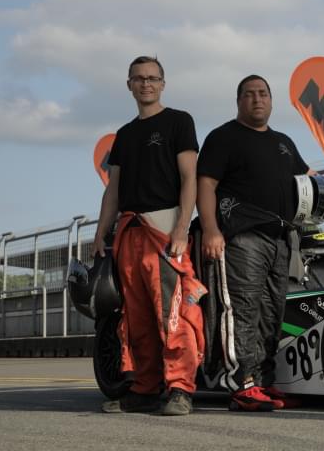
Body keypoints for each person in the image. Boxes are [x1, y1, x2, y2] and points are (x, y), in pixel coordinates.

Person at [197, 74, 324, 411]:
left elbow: (309, 177)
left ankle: (262, 382)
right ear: (239, 101)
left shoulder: (283, 143)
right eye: (249, 94)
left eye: (263, 93)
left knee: (271, 312)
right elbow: (206, 185)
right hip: (241, 236)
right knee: (242, 309)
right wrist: (210, 229)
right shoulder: (223, 137)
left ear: (271, 101)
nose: (257, 99)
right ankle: (241, 383)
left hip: (280, 238)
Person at [94, 56, 205, 416]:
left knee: (173, 314)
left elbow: (189, 178)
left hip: (164, 230)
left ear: (163, 84)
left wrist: (181, 229)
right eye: (139, 78)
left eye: (153, 78)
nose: (146, 84)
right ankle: (144, 388)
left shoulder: (179, 121)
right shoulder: (125, 135)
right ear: (129, 85)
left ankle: (180, 388)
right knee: (137, 317)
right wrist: (100, 232)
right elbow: (113, 189)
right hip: (130, 231)